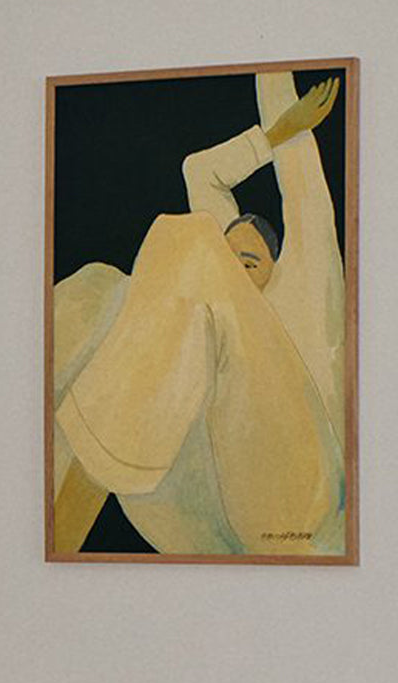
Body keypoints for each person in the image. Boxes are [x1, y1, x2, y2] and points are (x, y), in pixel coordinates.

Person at [52, 72, 346, 556]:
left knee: (191, 241)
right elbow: (197, 172)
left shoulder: (306, 280)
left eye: (248, 263)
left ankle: (82, 492)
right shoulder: (214, 309)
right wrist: (268, 137)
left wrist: (287, 124)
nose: (233, 273)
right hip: (213, 507)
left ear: (275, 268)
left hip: (303, 511)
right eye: (229, 261)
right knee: (96, 290)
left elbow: (227, 179)